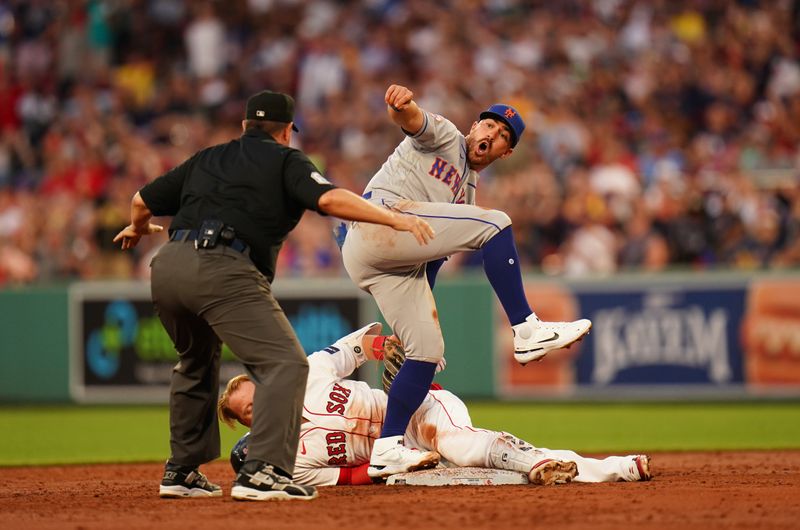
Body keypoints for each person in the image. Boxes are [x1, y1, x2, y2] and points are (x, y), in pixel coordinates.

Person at [113, 90, 435, 502]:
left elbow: (141, 200)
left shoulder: (208, 157)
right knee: (285, 364)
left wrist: (139, 227)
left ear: (245, 125)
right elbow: (330, 199)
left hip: (169, 266)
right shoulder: (287, 159)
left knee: (195, 362)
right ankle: (263, 471)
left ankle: (181, 471)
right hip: (224, 265)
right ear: (286, 131)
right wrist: (393, 218)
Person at [338, 84, 593, 478]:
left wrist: (416, 317)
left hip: (387, 262)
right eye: (489, 125)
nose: (492, 134)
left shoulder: (466, 194)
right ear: (474, 127)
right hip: (380, 222)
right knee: (496, 223)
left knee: (425, 350)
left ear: (506, 153)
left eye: (504, 136)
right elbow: (413, 121)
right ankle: (526, 330)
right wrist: (401, 107)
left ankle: (387, 449)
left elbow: (432, 259)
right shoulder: (446, 138)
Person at [217, 323, 652, 486]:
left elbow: (354, 347)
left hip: (417, 411)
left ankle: (533, 463)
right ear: (245, 424)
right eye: (247, 411)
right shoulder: (290, 464)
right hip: (400, 460)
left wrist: (383, 344)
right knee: (490, 475)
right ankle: (618, 467)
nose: (256, 406)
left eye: (253, 396)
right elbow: (347, 477)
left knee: (459, 444)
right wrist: (394, 469)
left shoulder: (306, 375)